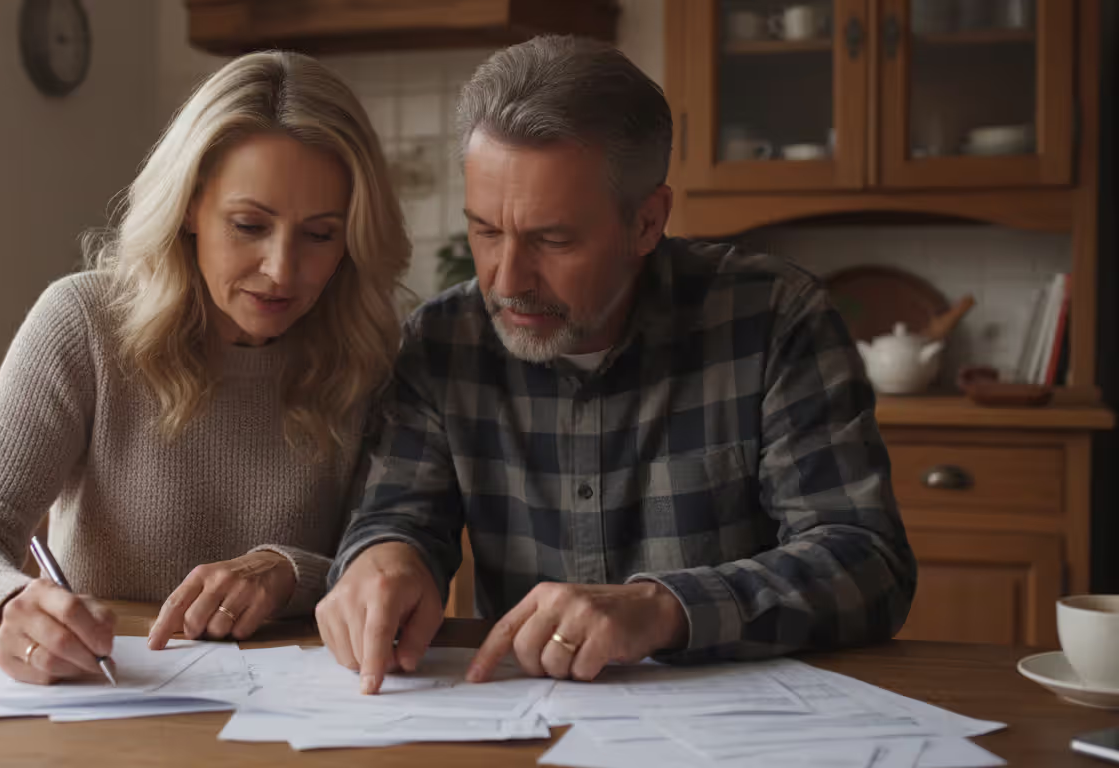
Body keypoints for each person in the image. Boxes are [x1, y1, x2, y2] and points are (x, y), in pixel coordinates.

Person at [316, 36, 917, 694]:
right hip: (519, 722)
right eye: (485, 231)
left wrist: (663, 608)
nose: (507, 278)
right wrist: (383, 559)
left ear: (647, 222)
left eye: (552, 239)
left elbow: (868, 562)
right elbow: (398, 517)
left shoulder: (773, 320)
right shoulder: (441, 343)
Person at [0, 51, 408, 685]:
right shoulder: (84, 322)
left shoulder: (372, 348)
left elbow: (398, 553)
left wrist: (286, 571)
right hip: (102, 703)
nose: (282, 269)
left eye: (321, 234)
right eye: (249, 225)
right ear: (190, 207)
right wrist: (4, 609)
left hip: (303, 714)